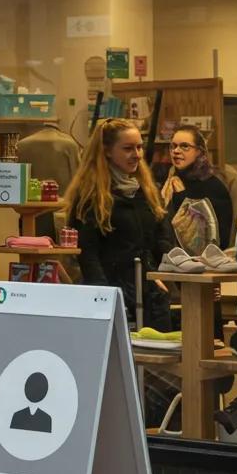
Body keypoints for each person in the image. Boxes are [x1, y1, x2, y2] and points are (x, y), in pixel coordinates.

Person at [67, 118, 174, 330]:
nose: (137, 154)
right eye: (128, 148)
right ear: (107, 151)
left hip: (151, 296)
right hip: (113, 296)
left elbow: (162, 239)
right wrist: (105, 299)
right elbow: (88, 254)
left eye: (139, 147)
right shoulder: (91, 196)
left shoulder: (147, 191)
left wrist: (165, 276)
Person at [160, 125, 234, 247]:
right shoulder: (169, 180)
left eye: (185, 146)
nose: (176, 151)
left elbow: (211, 234)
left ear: (199, 151)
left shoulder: (213, 186)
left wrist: (181, 196)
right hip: (170, 259)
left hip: (206, 260)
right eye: (173, 146)